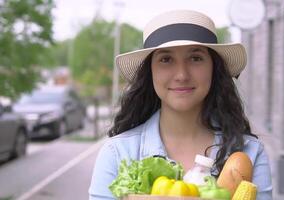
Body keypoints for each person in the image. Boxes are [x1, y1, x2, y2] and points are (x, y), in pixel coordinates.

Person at [89, 10, 272, 200]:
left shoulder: (249, 152)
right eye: (166, 59)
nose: (182, 75)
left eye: (195, 58)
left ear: (214, 68)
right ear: (150, 72)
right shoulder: (117, 153)